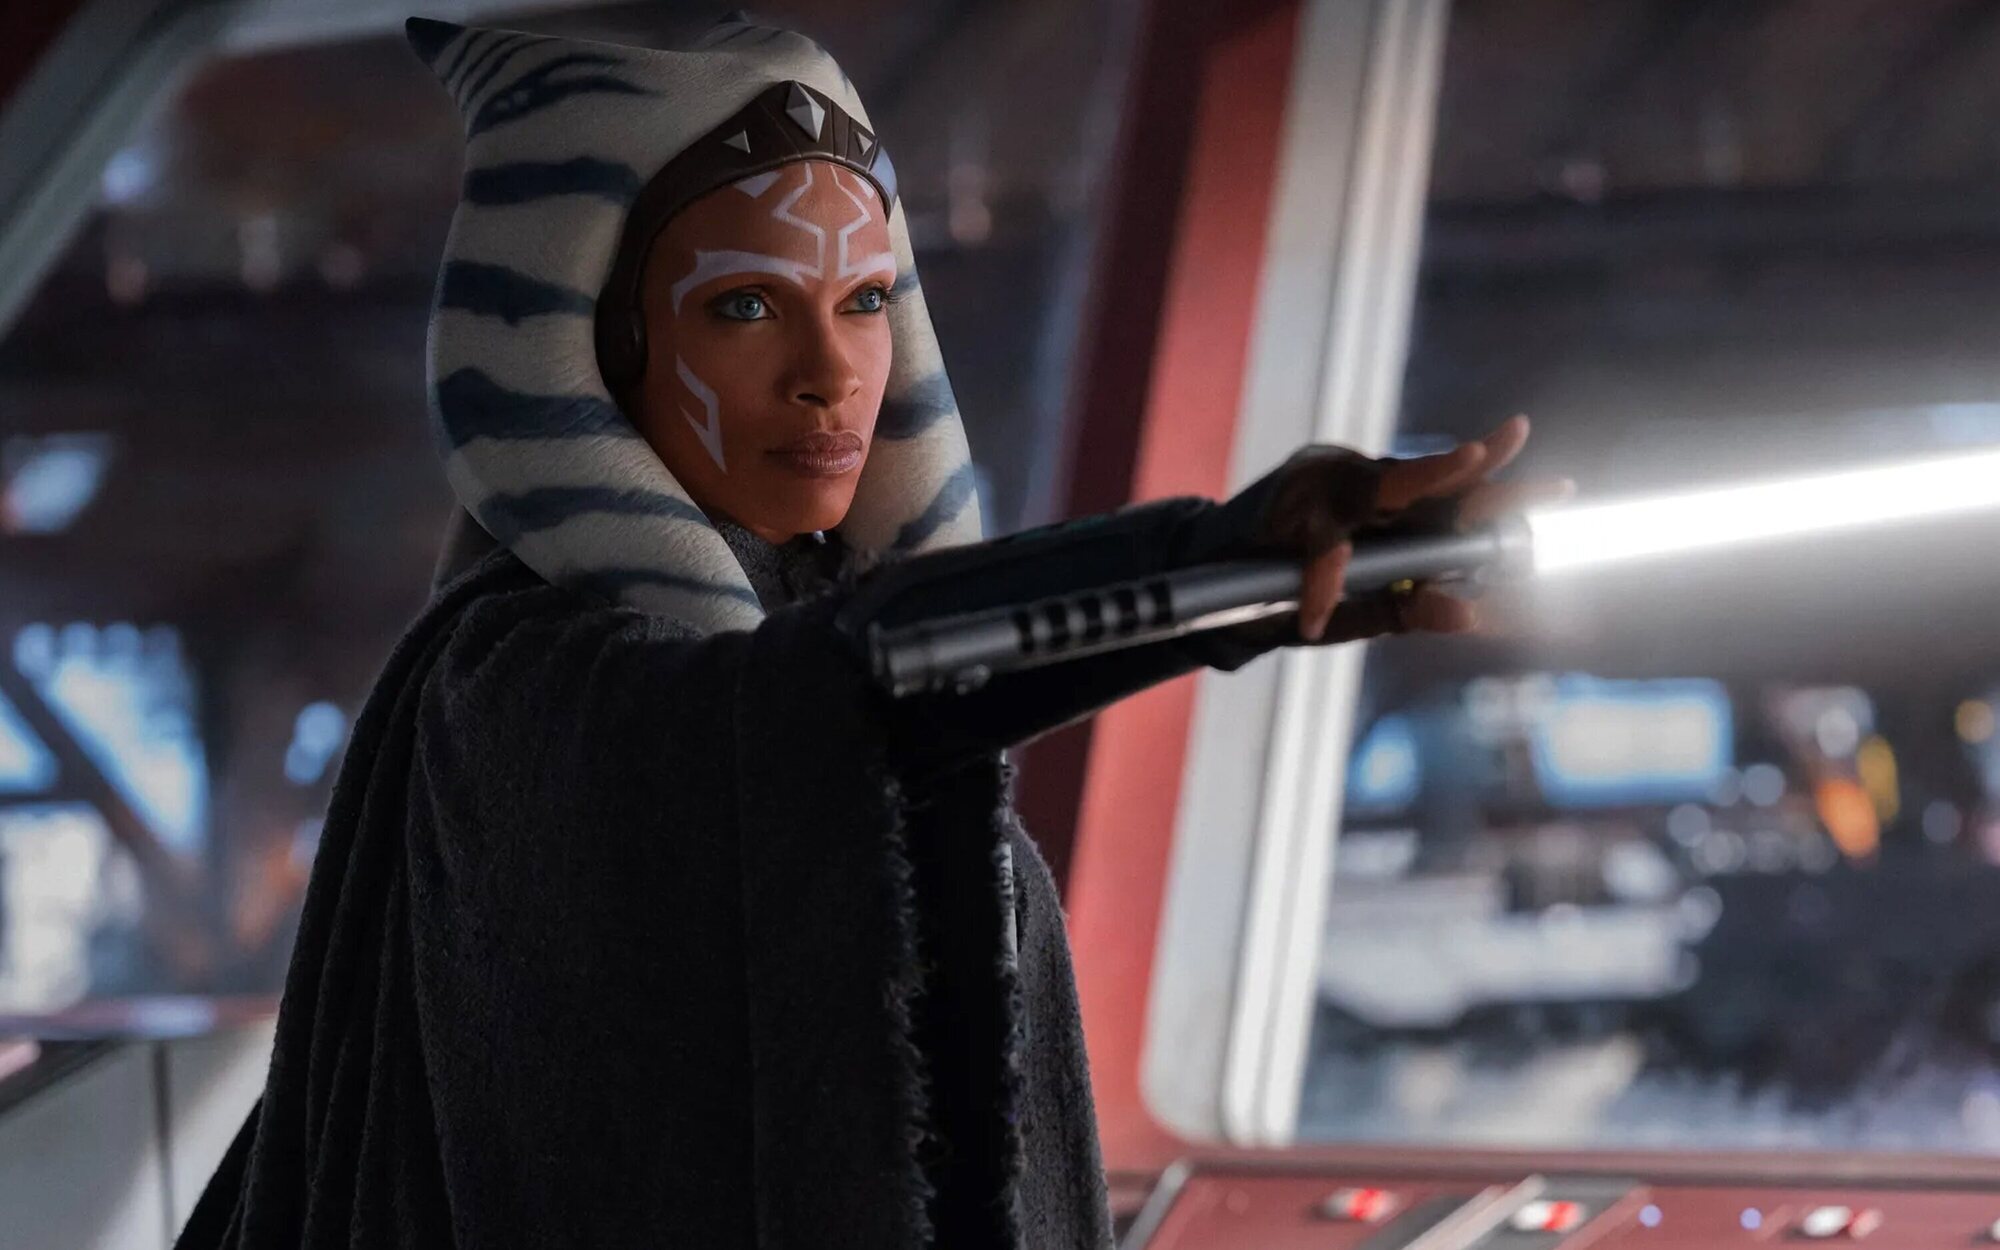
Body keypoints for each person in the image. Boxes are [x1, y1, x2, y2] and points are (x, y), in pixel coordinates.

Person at [178, 15, 1552, 1250]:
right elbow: (822, 703)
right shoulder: (520, 689)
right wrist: (1217, 567)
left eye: (865, 300)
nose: (831, 372)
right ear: (597, 347)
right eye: (745, 306)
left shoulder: (782, 645)